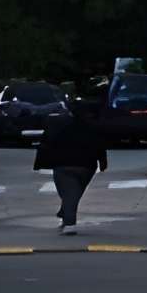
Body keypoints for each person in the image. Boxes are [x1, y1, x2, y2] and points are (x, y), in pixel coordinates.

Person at [34, 96, 108, 235]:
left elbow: (46, 142)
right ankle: (65, 212)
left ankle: (69, 222)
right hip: (86, 165)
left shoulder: (57, 123)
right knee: (74, 192)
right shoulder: (92, 125)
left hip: (63, 164)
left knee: (69, 193)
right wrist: (103, 162)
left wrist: (41, 161)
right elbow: (100, 145)